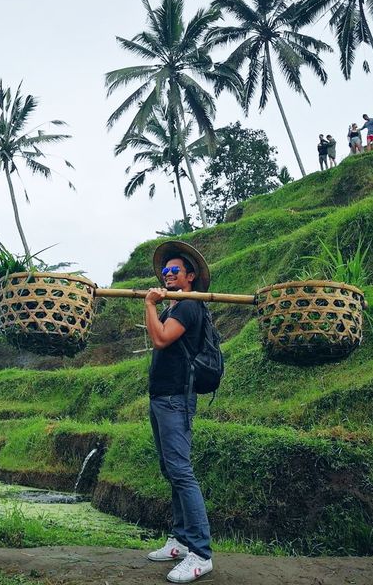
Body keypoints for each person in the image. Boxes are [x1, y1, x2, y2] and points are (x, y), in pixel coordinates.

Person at [145, 240, 213, 583]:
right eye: (166, 271)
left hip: (175, 399)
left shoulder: (187, 307)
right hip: (161, 398)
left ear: (190, 277)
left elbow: (159, 339)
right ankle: (179, 541)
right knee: (170, 469)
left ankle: (200, 552)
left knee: (181, 472)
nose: (169, 275)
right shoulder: (175, 307)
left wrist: (149, 305)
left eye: (176, 271)